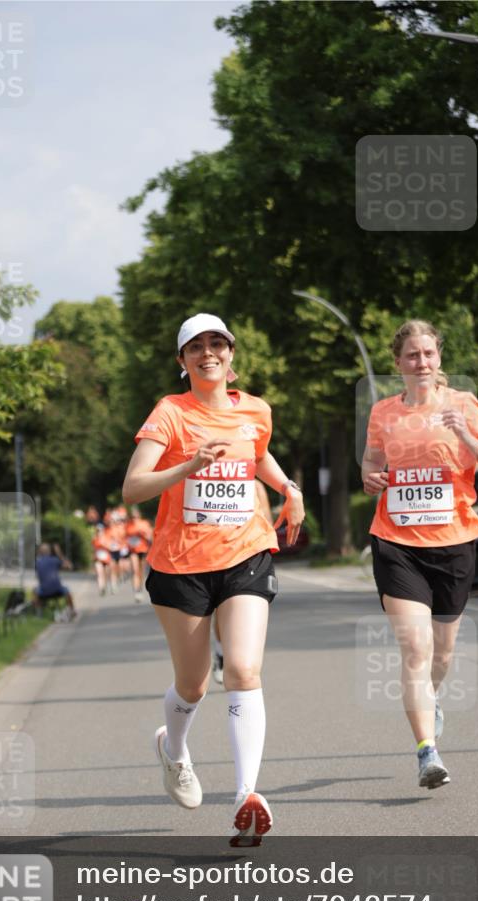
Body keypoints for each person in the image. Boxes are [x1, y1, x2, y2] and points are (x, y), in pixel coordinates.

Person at [122, 312, 304, 846]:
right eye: (196, 346)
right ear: (183, 360)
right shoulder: (170, 413)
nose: (208, 353)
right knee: (194, 684)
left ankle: (246, 795)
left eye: (217, 344)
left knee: (244, 668)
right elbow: (133, 487)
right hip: (181, 563)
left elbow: (258, 454)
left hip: (246, 552)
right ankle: (173, 749)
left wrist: (289, 489)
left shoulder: (256, 410)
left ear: (231, 353)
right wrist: (187, 466)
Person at [361, 319, 478, 790]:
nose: (421, 361)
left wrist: (467, 435)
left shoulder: (463, 405)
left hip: (453, 542)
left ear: (438, 357)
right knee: (416, 647)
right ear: (398, 362)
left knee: (441, 654)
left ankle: (431, 699)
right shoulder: (384, 412)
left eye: (428, 353)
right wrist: (370, 477)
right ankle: (427, 752)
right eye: (412, 355)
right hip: (396, 542)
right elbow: (372, 461)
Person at [213, 480, 273, 684]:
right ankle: (221, 651)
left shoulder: (256, 486)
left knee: (231, 611)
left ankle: (231, 658)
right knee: (219, 614)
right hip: (211, 556)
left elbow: (266, 522)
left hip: (244, 558)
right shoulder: (206, 480)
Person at [33, 542, 77, 618]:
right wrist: (59, 553)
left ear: (40, 552)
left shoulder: (37, 562)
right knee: (68, 591)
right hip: (57, 589)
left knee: (34, 591)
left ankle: (38, 613)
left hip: (43, 591)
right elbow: (69, 566)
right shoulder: (55, 560)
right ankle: (72, 610)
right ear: (50, 552)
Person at [125, 506, 154, 603]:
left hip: (143, 549)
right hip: (132, 550)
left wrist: (143, 534)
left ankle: (140, 588)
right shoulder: (128, 525)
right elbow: (124, 537)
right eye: (132, 517)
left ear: (139, 515)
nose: (134, 518)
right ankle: (136, 590)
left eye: (136, 516)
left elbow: (150, 537)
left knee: (141, 571)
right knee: (135, 569)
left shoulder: (144, 524)